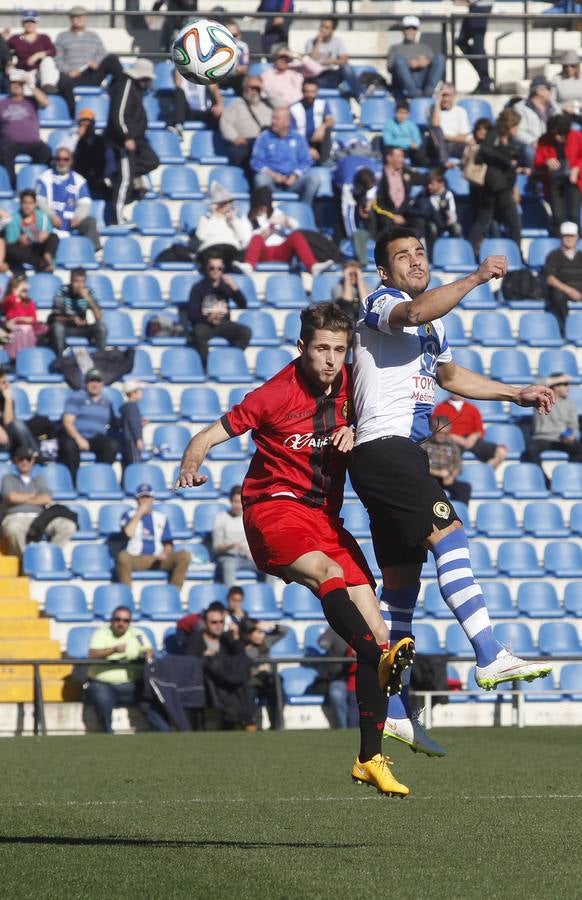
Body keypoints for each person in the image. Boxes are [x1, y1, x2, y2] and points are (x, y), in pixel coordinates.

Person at [177, 301, 415, 797]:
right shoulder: (273, 395)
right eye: (321, 349)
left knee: (379, 629)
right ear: (301, 348)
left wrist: (361, 431)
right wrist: (190, 464)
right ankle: (374, 657)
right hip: (273, 510)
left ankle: (369, 758)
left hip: (325, 518)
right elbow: (206, 436)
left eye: (339, 349)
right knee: (332, 580)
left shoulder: (354, 384)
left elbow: (400, 417)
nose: (331, 359)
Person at [348, 227, 554, 756]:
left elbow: (452, 375)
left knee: (400, 591)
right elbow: (411, 316)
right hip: (386, 448)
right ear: (383, 271)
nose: (415, 261)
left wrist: (515, 393)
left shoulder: (433, 321)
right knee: (450, 533)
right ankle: (489, 652)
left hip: (388, 458)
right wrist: (479, 275)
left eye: (420, 252)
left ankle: (395, 711)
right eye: (403, 256)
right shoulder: (380, 303)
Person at [85, 606, 169, 734]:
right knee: (100, 694)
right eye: (117, 619)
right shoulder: (101, 633)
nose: (121, 623)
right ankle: (107, 733)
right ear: (112, 620)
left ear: (130, 622)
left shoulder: (137, 634)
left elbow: (148, 650)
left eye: (125, 620)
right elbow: (93, 654)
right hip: (105, 684)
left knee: (149, 694)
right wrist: (113, 649)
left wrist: (148, 654)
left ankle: (164, 732)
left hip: (132, 684)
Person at [105, 59, 160, 225]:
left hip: (137, 139)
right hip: (123, 141)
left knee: (152, 160)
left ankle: (119, 178)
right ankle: (117, 218)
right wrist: (126, 136)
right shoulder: (126, 86)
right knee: (125, 179)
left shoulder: (136, 89)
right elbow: (118, 114)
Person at [186, 601, 254, 731]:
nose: (218, 626)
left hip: (229, 680)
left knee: (243, 680)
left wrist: (235, 638)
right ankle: (243, 721)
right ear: (205, 623)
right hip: (208, 682)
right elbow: (190, 664)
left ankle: (247, 720)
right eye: (214, 622)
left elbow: (241, 658)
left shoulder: (227, 639)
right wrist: (203, 656)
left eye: (221, 622)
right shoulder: (196, 639)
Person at [1, 445, 76, 556]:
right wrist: (35, 496)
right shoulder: (8, 478)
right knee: (13, 528)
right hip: (16, 517)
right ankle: (26, 562)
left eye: (28, 458)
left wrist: (21, 498)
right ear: (15, 461)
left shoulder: (39, 479)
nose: (24, 461)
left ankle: (49, 556)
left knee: (68, 526)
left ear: (33, 461)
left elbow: (46, 498)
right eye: (21, 458)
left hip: (40, 519)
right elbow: (11, 497)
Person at [468, 108, 523, 257]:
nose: (517, 129)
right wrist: (507, 160)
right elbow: (484, 151)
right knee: (513, 222)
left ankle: (474, 249)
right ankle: (516, 253)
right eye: (515, 126)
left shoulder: (509, 139)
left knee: (485, 219)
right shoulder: (494, 134)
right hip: (496, 185)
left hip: (503, 185)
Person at [244, 185, 333, 276]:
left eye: (265, 205)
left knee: (296, 235)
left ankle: (312, 266)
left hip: (281, 250)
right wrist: (263, 233)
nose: (264, 209)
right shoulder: (248, 219)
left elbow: (296, 226)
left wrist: (286, 220)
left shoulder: (276, 213)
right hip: (263, 252)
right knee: (256, 237)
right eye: (261, 206)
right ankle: (249, 266)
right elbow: (245, 243)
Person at [116, 483, 191, 587]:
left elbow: (168, 542)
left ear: (152, 499)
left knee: (184, 556)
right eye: (142, 497)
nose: (145, 500)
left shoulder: (161, 518)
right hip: (136, 557)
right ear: (136, 500)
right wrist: (139, 513)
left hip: (157, 558)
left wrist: (165, 553)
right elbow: (127, 533)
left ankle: (174, 592)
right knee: (122, 557)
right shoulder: (128, 515)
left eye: (147, 497)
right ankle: (127, 594)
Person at [54, 6, 124, 117]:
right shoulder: (62, 37)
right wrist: (69, 71)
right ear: (70, 19)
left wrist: (96, 62)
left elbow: (102, 53)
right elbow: (57, 59)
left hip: (92, 73)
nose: (78, 19)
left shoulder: (94, 36)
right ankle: (73, 113)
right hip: (73, 76)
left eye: (81, 17)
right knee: (63, 82)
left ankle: (122, 92)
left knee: (112, 59)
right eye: (75, 17)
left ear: (86, 18)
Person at [185, 256, 251, 369]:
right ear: (207, 268)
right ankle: (206, 366)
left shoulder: (226, 287)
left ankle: (230, 360)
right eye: (212, 268)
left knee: (245, 332)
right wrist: (208, 318)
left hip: (223, 324)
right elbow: (192, 313)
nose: (216, 271)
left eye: (219, 268)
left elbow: (243, 304)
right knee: (198, 333)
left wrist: (235, 288)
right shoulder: (198, 288)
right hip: (205, 323)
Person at [35, 145, 100, 250]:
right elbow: (40, 201)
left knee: (90, 221)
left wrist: (78, 217)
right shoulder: (44, 178)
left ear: (71, 161)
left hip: (72, 220)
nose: (62, 162)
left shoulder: (79, 180)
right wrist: (51, 216)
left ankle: (95, 252)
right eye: (59, 159)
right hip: (50, 219)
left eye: (65, 159)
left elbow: (85, 203)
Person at [58, 367, 119, 477]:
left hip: (96, 437)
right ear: (86, 383)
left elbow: (113, 421)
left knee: (112, 445)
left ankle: (100, 477)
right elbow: (67, 422)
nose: (95, 384)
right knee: (69, 446)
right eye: (91, 380)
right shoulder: (77, 397)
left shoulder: (107, 402)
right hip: (77, 436)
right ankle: (73, 480)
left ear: (102, 383)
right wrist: (79, 439)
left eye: (97, 381)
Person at [0, 69, 50, 189]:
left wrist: (30, 84)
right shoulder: (2, 104)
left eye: (19, 83)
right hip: (10, 144)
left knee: (46, 152)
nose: (16, 85)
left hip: (33, 143)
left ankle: (38, 184)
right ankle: (12, 187)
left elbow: (45, 102)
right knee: (3, 152)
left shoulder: (31, 101)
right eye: (13, 83)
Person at [533, 114, 582, 234]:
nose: (557, 137)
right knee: (558, 216)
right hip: (554, 182)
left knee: (574, 215)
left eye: (560, 134)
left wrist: (577, 168)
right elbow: (537, 161)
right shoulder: (544, 140)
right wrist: (546, 161)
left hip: (574, 181)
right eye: (554, 134)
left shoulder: (577, 137)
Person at [526, 373, 582, 477]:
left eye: (568, 384)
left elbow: (573, 425)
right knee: (531, 451)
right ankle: (543, 480)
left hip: (561, 439)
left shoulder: (570, 404)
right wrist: (556, 379)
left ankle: (571, 477)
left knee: (579, 449)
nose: (568, 388)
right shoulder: (541, 399)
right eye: (564, 384)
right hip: (542, 438)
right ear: (555, 386)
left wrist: (572, 435)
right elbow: (534, 387)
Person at [218, 76, 273, 180]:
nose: (254, 91)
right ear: (244, 88)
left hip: (266, 143)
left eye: (257, 88)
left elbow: (282, 105)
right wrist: (234, 137)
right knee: (241, 155)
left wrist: (265, 88)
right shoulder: (236, 105)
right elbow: (225, 123)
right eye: (251, 88)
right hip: (246, 143)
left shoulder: (268, 105)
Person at [434, 392, 508, 468]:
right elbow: (436, 429)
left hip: (471, 440)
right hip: (451, 440)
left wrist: (473, 437)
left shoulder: (472, 408)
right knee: (444, 457)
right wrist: (454, 438)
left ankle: (486, 472)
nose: (457, 393)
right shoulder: (440, 407)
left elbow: (480, 430)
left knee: (501, 452)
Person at [240, 617, 289, 729]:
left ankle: (277, 724)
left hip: (267, 680)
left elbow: (286, 630)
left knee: (277, 683)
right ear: (248, 634)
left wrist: (271, 626)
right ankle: (252, 724)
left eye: (262, 632)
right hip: (251, 682)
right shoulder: (241, 648)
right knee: (248, 691)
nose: (262, 635)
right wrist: (257, 670)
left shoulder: (266, 641)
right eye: (258, 632)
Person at [49, 267, 107, 357]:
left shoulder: (89, 292)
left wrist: (89, 299)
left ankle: (101, 357)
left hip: (83, 328)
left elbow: (99, 317)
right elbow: (55, 317)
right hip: (66, 328)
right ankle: (60, 358)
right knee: (57, 327)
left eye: (82, 282)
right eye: (76, 281)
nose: (79, 285)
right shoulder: (62, 291)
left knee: (101, 327)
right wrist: (71, 319)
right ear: (71, 281)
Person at [194, 182, 252, 271]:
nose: (227, 205)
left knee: (233, 252)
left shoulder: (233, 220)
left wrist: (233, 219)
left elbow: (242, 238)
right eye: (223, 203)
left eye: (228, 203)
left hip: (230, 248)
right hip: (211, 247)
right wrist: (213, 216)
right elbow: (201, 236)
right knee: (214, 254)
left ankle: (234, 264)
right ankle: (231, 265)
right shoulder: (206, 219)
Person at [304, 17, 365, 102]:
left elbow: (344, 60)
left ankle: (360, 95)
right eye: (322, 26)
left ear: (333, 30)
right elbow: (310, 62)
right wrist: (319, 42)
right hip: (317, 77)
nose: (323, 30)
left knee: (346, 67)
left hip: (332, 74)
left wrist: (331, 61)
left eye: (327, 28)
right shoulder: (311, 42)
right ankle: (344, 88)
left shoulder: (338, 41)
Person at [212, 485, 262, 587]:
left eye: (240, 502)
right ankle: (231, 596)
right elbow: (216, 548)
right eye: (235, 502)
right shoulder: (221, 518)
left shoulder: (250, 517)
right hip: (228, 557)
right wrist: (231, 546)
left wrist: (254, 553)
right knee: (229, 565)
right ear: (231, 501)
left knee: (269, 565)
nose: (238, 505)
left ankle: (268, 596)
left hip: (247, 558)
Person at [386, 16, 445, 100]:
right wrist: (409, 63)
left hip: (422, 80)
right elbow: (390, 67)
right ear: (403, 30)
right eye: (407, 28)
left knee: (440, 58)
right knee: (399, 61)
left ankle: (429, 91)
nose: (410, 31)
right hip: (403, 85)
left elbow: (433, 63)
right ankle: (413, 93)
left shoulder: (425, 47)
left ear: (416, 30)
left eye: (413, 28)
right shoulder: (395, 48)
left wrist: (425, 62)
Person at [0, 366, 54, 456]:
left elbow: (9, 423)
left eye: (7, 381)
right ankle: (34, 453)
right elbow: (9, 423)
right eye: (3, 382)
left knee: (42, 421)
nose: (7, 385)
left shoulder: (5, 398)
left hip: (11, 438)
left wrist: (8, 399)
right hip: (3, 443)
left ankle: (41, 449)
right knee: (17, 424)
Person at [1, 189, 57, 274]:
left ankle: (47, 257)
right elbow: (11, 241)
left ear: (35, 204)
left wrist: (35, 237)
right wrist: (23, 239)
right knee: (9, 248)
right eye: (24, 202)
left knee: (53, 236)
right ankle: (40, 263)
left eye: (30, 203)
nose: (27, 206)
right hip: (21, 251)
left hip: (36, 248)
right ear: (20, 203)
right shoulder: (14, 218)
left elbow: (46, 234)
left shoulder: (42, 217)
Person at [543, 220, 582, 337]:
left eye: (571, 236)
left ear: (577, 237)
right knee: (557, 297)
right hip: (564, 290)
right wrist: (569, 290)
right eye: (566, 236)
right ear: (561, 237)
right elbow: (550, 278)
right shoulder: (553, 255)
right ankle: (563, 332)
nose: (569, 239)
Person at [374, 146, 424, 236]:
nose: (402, 159)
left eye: (403, 157)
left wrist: (443, 167)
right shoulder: (379, 175)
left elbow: (426, 178)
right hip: (386, 215)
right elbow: (377, 202)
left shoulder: (408, 173)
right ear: (389, 158)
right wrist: (392, 216)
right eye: (399, 156)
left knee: (418, 222)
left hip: (404, 215)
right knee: (386, 223)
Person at [408, 168, 462, 251]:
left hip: (445, 223)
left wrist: (451, 218)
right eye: (428, 184)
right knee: (432, 228)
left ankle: (455, 250)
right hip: (432, 223)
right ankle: (432, 253)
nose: (429, 186)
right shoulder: (424, 196)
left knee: (457, 228)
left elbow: (452, 211)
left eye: (432, 184)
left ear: (441, 184)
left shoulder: (448, 195)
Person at [514, 76, 561, 167]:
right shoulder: (520, 108)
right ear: (539, 91)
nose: (551, 92)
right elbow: (518, 132)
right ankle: (534, 173)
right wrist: (533, 141)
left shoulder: (555, 107)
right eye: (549, 89)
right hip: (532, 145)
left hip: (551, 144)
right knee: (529, 151)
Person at [424, 414, 472, 505]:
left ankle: (458, 514)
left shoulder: (452, 443)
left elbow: (458, 465)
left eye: (445, 433)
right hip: (430, 478)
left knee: (465, 488)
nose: (442, 436)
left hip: (447, 478)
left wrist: (451, 476)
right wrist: (438, 472)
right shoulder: (425, 443)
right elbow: (419, 466)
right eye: (439, 432)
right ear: (433, 430)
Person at [316, 626, 358, 729]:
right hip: (340, 677)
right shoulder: (335, 629)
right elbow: (323, 643)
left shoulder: (362, 630)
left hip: (358, 677)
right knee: (336, 694)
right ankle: (343, 729)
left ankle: (355, 728)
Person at [7, 10, 59, 93]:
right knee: (27, 90)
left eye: (32, 21)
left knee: (48, 60)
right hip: (22, 71)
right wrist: (8, 64)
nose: (29, 24)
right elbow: (5, 52)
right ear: (22, 23)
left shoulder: (43, 38)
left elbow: (53, 51)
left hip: (39, 72)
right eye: (26, 21)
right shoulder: (15, 39)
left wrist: (38, 55)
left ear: (37, 23)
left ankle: (48, 86)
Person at [166, 70, 223, 139]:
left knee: (221, 114)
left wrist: (220, 104)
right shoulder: (181, 72)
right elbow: (178, 86)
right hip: (189, 111)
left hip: (206, 111)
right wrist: (180, 68)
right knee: (178, 92)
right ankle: (179, 125)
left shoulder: (204, 70)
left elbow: (214, 88)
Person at [0, 273, 44, 361]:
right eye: (18, 288)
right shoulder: (9, 300)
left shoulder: (29, 302)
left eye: (24, 290)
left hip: (26, 331)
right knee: (16, 332)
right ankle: (13, 358)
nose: (22, 291)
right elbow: (10, 300)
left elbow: (33, 318)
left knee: (26, 329)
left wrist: (19, 319)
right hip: (12, 330)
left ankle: (25, 357)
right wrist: (20, 287)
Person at [290, 78, 334, 164]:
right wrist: (307, 149)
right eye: (307, 91)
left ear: (317, 92)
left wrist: (322, 127)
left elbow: (330, 120)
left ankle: (325, 161)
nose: (310, 95)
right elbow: (293, 133)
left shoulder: (322, 104)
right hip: (301, 142)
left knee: (327, 130)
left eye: (313, 91)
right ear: (302, 91)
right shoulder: (294, 108)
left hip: (317, 140)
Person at [340, 167, 378, 267]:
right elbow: (347, 213)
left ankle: (373, 236)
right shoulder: (347, 186)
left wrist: (367, 205)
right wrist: (352, 235)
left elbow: (372, 193)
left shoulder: (376, 174)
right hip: (339, 183)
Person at [454, 0, 493, 94]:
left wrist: (464, 1)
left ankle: (485, 82)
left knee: (478, 46)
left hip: (480, 6)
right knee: (461, 41)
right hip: (474, 7)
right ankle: (485, 78)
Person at [428, 85, 472, 166]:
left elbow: (464, 136)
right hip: (437, 145)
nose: (445, 99)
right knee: (437, 131)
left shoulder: (461, 111)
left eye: (448, 96)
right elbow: (436, 125)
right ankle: (444, 161)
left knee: (472, 145)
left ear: (453, 96)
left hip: (454, 145)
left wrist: (446, 137)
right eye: (443, 96)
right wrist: (437, 102)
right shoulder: (433, 109)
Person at [72, 108, 110, 199]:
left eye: (88, 121)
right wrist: (78, 138)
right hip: (78, 176)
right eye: (83, 121)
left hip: (97, 176)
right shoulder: (72, 138)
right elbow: (65, 154)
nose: (86, 124)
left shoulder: (101, 140)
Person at [382, 100, 426, 167]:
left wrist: (415, 144)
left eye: (405, 113)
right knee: (389, 150)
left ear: (408, 114)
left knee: (420, 151)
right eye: (400, 112)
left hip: (408, 151)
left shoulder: (411, 125)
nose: (402, 115)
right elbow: (388, 141)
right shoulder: (389, 124)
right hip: (395, 149)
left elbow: (417, 140)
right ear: (395, 112)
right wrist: (407, 142)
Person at [119, 380, 144, 468]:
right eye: (139, 390)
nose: (142, 393)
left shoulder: (126, 407)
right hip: (132, 440)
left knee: (127, 465)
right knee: (135, 464)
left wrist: (141, 423)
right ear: (133, 393)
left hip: (128, 440)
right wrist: (138, 439)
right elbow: (133, 424)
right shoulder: (132, 406)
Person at [554, 50, 582, 115]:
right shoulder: (556, 79)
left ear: (577, 66)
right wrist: (562, 108)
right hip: (563, 114)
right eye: (566, 66)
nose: (569, 68)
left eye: (572, 65)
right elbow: (551, 101)